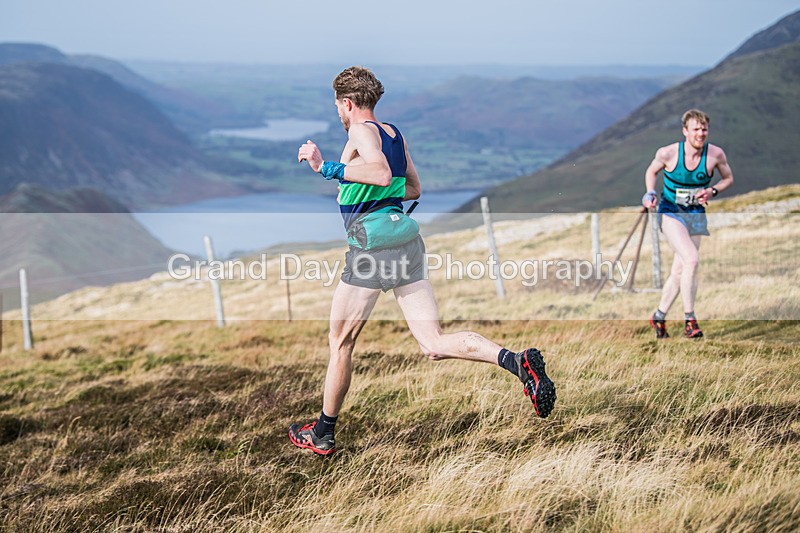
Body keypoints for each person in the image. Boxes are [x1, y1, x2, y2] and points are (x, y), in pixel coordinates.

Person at [289, 66, 556, 455]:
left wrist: (324, 166)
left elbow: (379, 174)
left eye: (337, 104)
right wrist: (357, 184)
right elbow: (411, 186)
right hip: (406, 242)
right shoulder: (394, 134)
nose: (338, 110)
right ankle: (517, 362)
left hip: (371, 249)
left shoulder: (360, 132)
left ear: (346, 103)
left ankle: (323, 433)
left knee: (340, 343)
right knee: (432, 342)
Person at [642, 109, 734, 339]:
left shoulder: (715, 154)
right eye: (696, 129)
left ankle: (659, 316)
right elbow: (651, 171)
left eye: (704, 129)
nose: (701, 134)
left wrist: (713, 190)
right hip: (671, 212)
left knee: (681, 269)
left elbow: (728, 178)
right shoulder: (668, 153)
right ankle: (689, 320)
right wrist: (650, 193)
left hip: (696, 214)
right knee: (692, 259)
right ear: (685, 131)